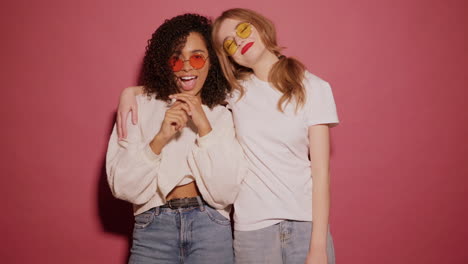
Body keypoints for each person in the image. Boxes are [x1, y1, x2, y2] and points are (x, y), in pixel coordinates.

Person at [118, 8, 339, 264]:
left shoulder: (315, 87)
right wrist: (131, 92)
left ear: (260, 26)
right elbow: (186, 80)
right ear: (229, 58)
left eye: (243, 30)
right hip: (252, 231)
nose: (240, 42)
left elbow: (321, 173)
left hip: (306, 225)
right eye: (230, 44)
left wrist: (319, 246)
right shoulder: (235, 92)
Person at [106, 13, 245, 264]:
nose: (187, 67)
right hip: (152, 229)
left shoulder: (224, 113)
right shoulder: (137, 107)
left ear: (211, 61)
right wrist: (160, 138)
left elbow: (225, 193)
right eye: (176, 59)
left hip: (211, 227)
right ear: (163, 64)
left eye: (197, 57)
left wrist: (203, 125)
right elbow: (123, 188)